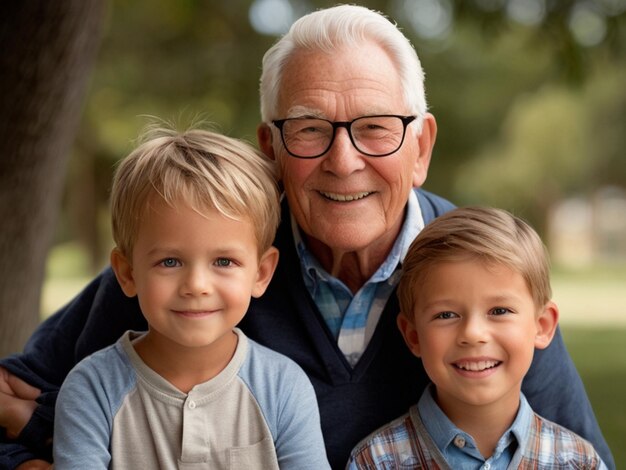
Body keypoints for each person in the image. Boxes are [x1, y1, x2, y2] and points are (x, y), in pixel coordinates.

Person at [0, 5, 614, 470]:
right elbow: (22, 400)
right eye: (310, 129)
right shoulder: (201, 266)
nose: (343, 161)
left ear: (421, 147)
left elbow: (570, 451)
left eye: (376, 128)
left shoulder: (487, 276)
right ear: (270, 149)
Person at [52, 126, 330, 469]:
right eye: (170, 261)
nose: (196, 285)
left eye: (223, 261)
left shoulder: (283, 388)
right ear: (127, 273)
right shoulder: (92, 391)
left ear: (260, 273)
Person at [347, 206, 608, 469]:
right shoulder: (376, 461)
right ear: (413, 335)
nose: (473, 334)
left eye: (499, 311)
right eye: (446, 315)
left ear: (542, 325)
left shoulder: (578, 462)